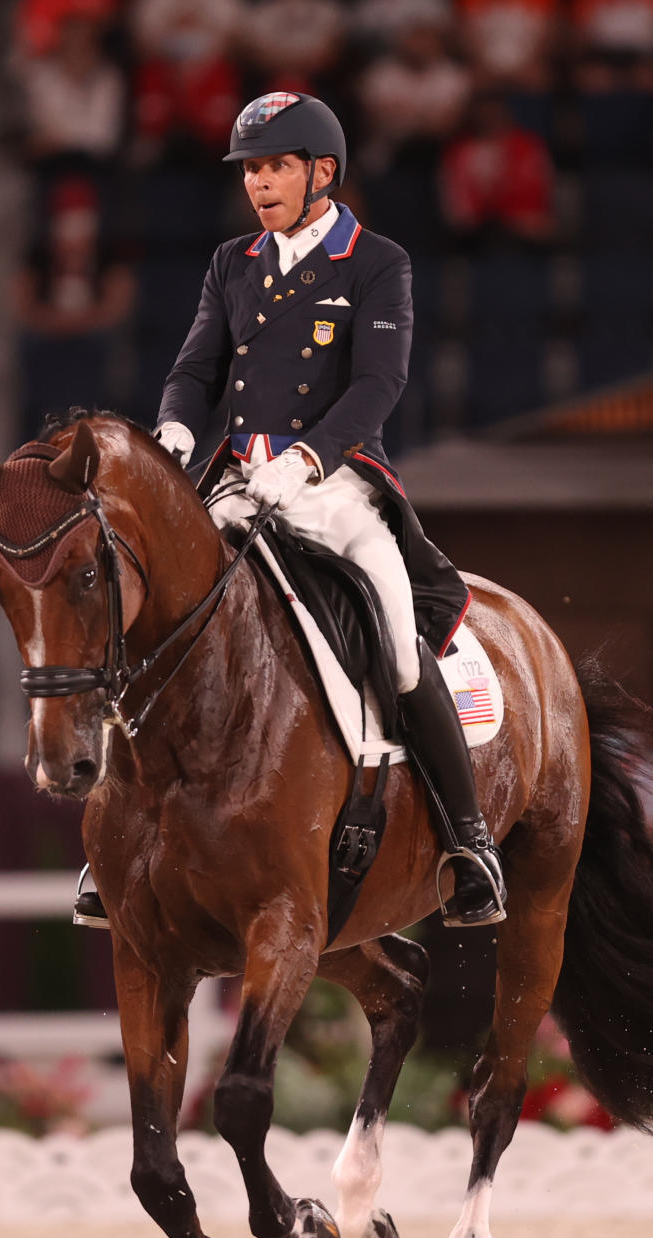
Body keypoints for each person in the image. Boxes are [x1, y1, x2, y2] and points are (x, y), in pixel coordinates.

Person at [74, 91, 506, 930]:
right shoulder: (232, 262)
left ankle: (469, 839)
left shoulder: (375, 262)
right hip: (235, 479)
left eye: (274, 167)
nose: (259, 184)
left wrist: (308, 459)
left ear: (322, 173)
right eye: (251, 171)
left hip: (334, 484)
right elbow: (196, 369)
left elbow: (379, 383)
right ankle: (115, 841)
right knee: (139, 615)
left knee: (395, 633)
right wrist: (171, 430)